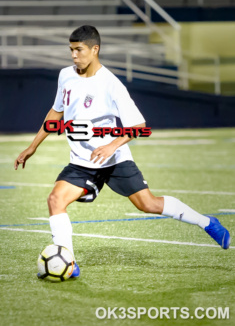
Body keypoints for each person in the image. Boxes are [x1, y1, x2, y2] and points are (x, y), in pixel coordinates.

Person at [14, 25, 231, 278]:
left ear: (95, 50)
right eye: (71, 50)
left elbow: (138, 126)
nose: (74, 55)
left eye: (79, 50)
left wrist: (112, 145)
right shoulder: (65, 75)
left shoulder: (111, 84)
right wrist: (33, 146)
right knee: (55, 200)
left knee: (148, 204)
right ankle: (70, 263)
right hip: (82, 162)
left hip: (115, 160)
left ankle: (207, 223)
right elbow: (56, 112)